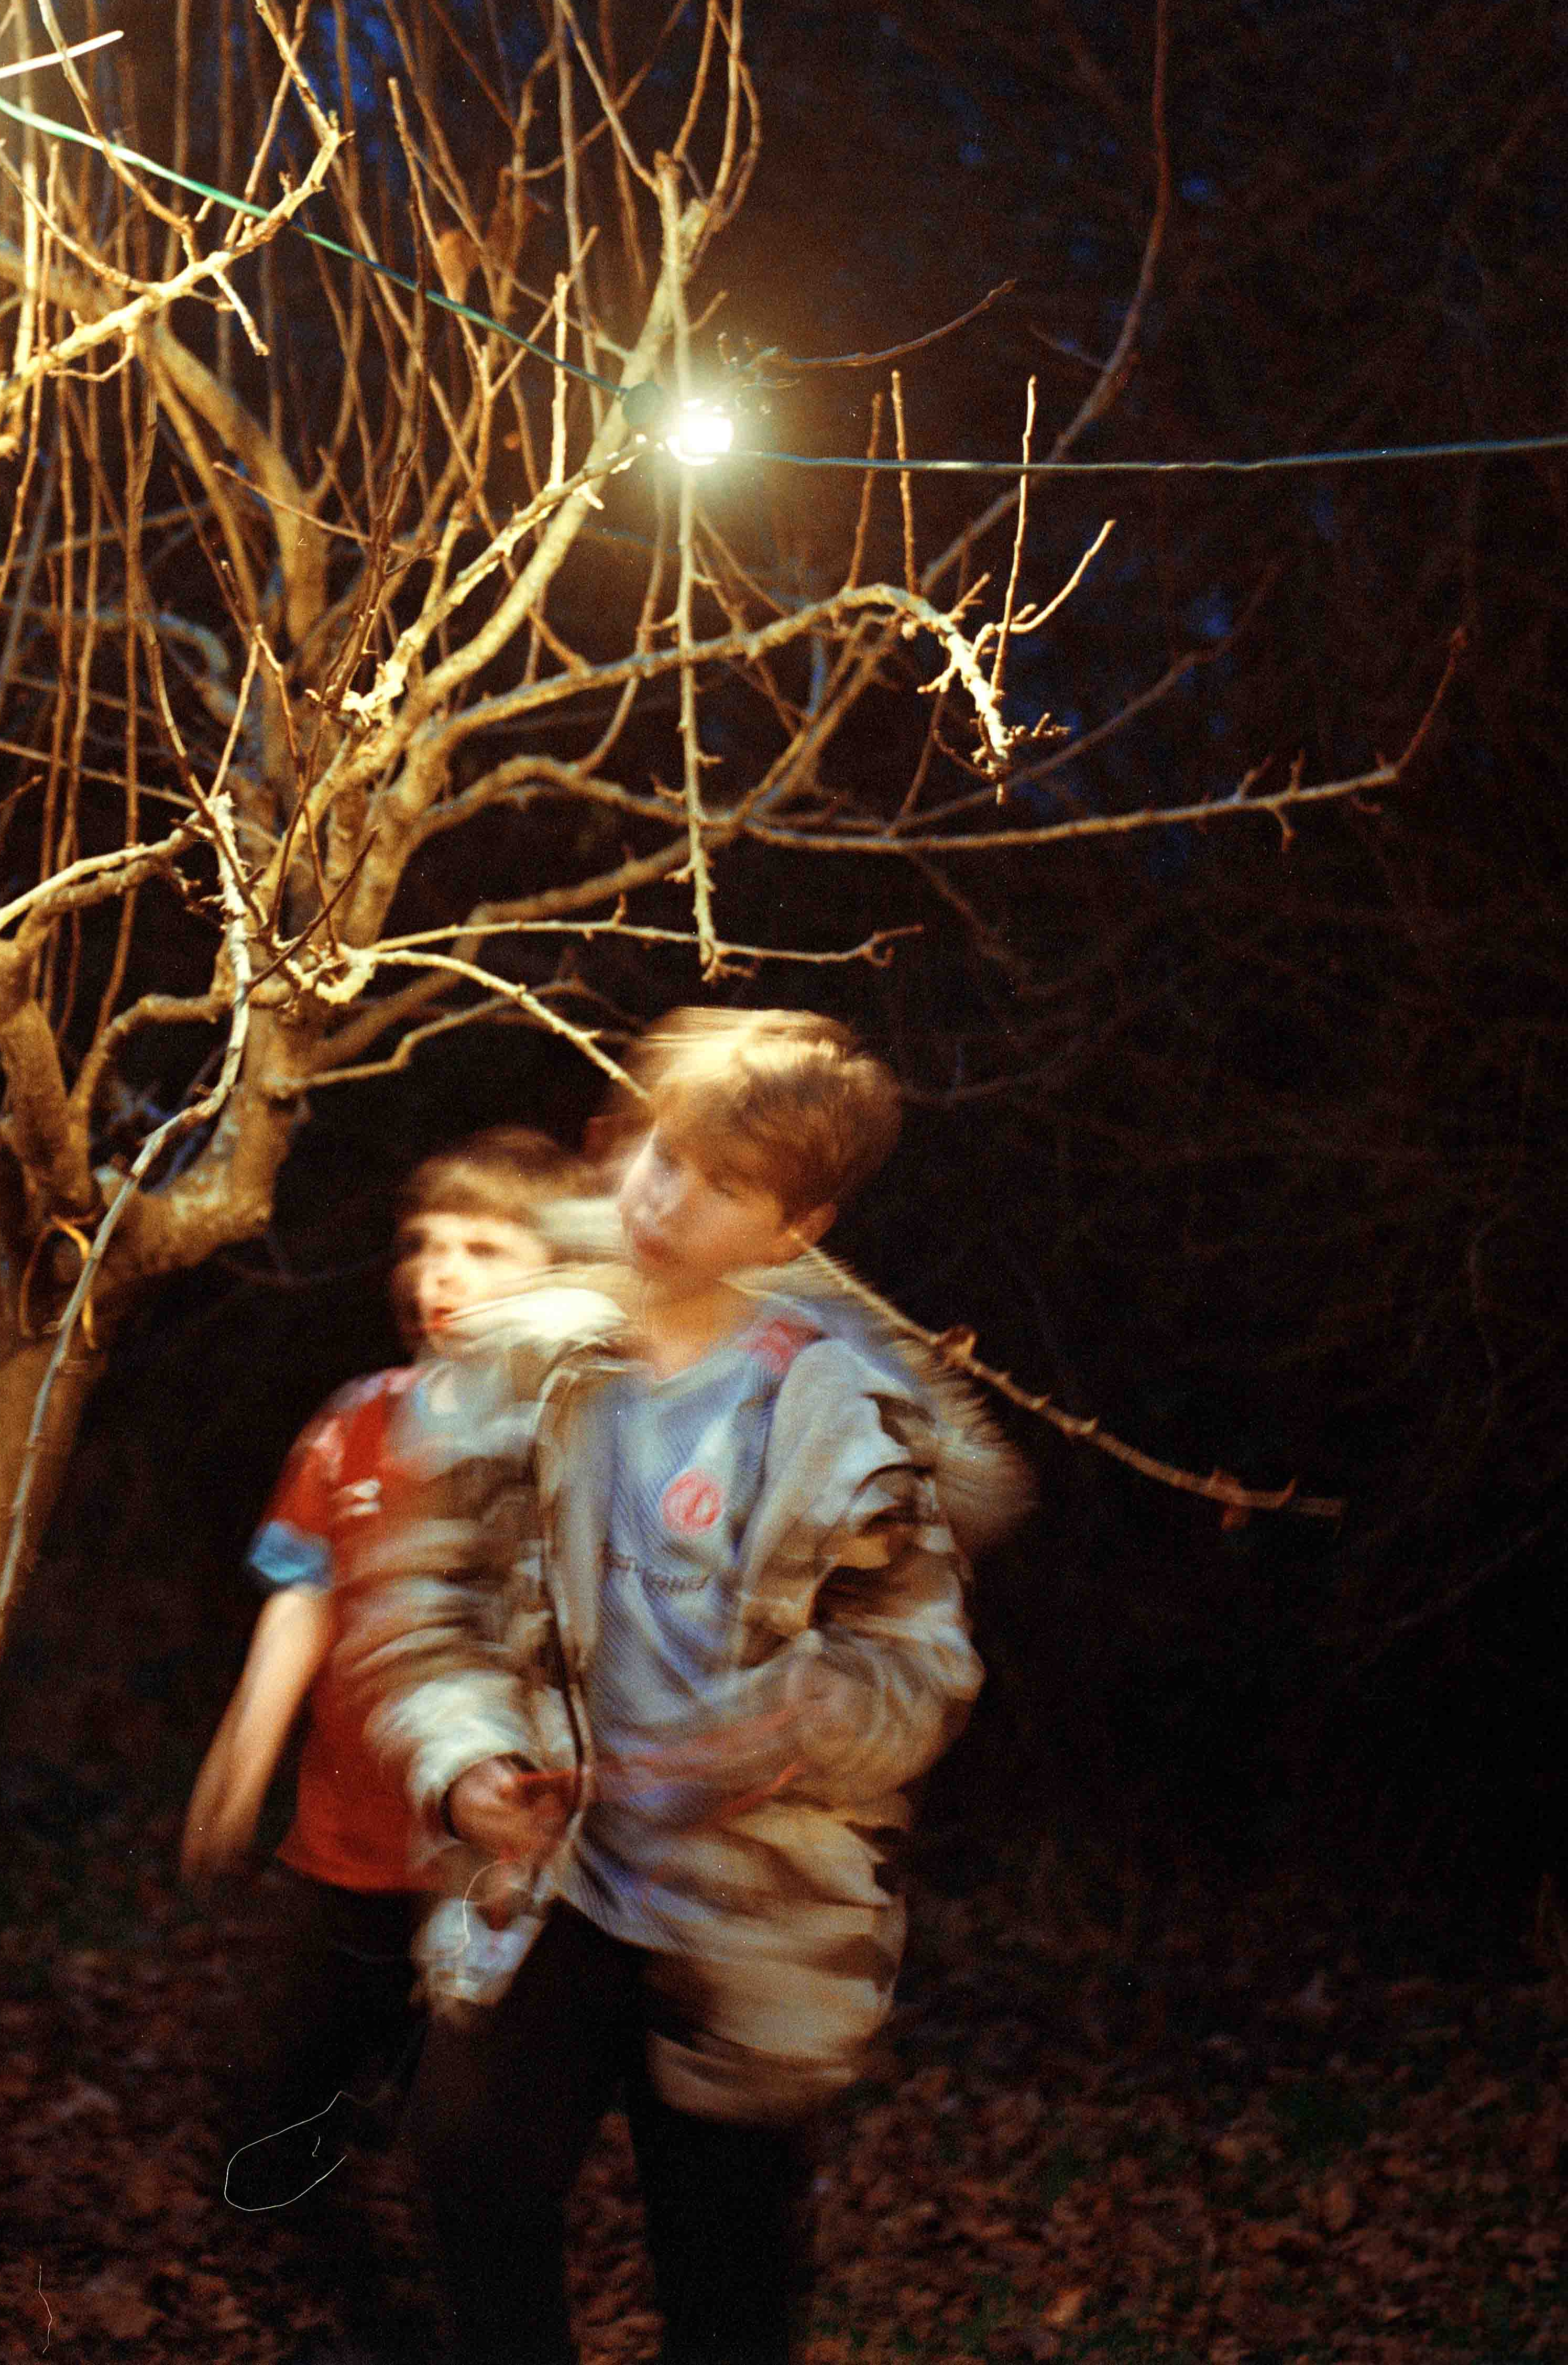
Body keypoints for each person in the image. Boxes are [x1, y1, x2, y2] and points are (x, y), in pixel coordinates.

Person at [352, 1009, 1027, 2365]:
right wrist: (468, 1759)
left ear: (795, 1229)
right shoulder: (520, 1362)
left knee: (726, 2272)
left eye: (723, 1183)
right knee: (471, 2164)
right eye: (660, 1154)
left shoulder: (840, 1411)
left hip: (752, 1912)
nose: (667, 1198)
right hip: (552, 1887)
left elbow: (921, 1662)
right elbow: (423, 1606)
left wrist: (801, 1728)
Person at [181, 1124, 583, 2364]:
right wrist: (242, 1758)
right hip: (344, 1854)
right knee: (265, 2118)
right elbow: (301, 1595)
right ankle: (384, 2328)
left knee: (463, 2151)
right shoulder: (357, 1418)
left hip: (496, 1874)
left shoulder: (576, 1431)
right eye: (420, 1245)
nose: (437, 1273)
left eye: (480, 1246)